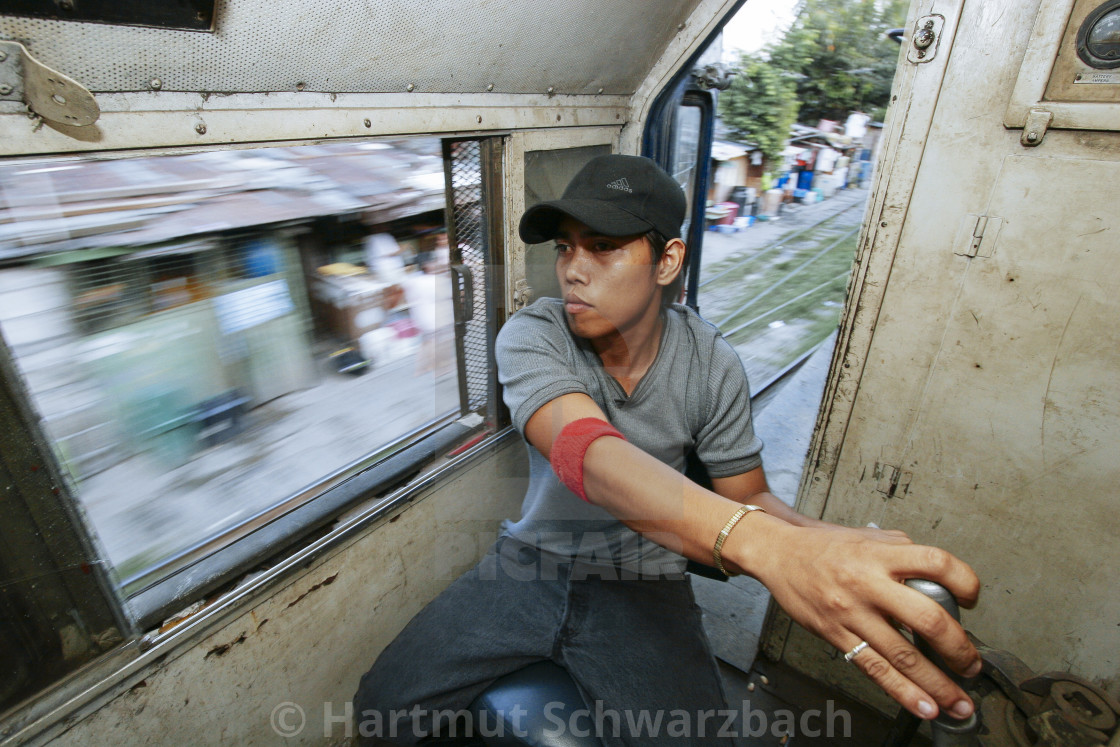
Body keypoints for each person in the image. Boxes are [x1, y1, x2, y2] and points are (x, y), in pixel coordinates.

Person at [353, 155, 981, 745]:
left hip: (644, 583)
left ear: (667, 259)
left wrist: (822, 542)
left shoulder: (711, 363)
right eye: (564, 247)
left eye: (602, 246)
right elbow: (586, 454)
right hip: (531, 563)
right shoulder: (533, 334)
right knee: (381, 706)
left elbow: (749, 497)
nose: (573, 268)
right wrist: (770, 548)